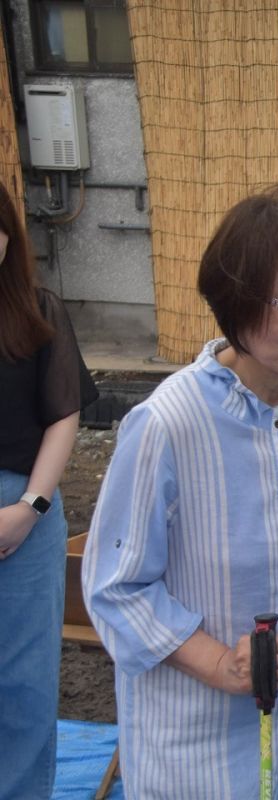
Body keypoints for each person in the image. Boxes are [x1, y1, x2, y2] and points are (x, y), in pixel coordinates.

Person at [83, 184, 278, 799]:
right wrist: (218, 662)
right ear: (234, 300)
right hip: (201, 760)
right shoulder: (168, 423)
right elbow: (115, 587)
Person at [0, 180, 98, 799]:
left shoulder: (37, 310)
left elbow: (64, 415)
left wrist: (29, 508)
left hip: (25, 514)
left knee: (23, 678)